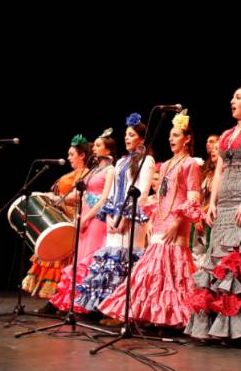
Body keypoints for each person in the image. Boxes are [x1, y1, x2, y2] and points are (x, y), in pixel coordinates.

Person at [185, 76, 241, 344]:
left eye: (238, 98)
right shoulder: (226, 135)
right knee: (218, 263)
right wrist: (212, 202)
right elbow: (219, 171)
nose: (232, 101)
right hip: (223, 204)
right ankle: (220, 328)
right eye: (233, 98)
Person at [98, 110, 200, 327]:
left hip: (176, 222)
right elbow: (160, 196)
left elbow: (193, 198)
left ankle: (173, 318)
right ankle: (152, 316)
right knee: (152, 272)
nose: (171, 139)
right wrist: (153, 218)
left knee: (173, 272)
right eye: (170, 136)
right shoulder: (167, 164)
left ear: (187, 139)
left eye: (176, 135)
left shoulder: (190, 164)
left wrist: (177, 223)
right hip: (160, 220)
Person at [74, 113, 155, 313]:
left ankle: (125, 310)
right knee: (112, 260)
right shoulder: (120, 163)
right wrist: (110, 216)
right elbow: (111, 193)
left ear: (141, 139)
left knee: (127, 261)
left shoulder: (147, 160)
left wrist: (125, 217)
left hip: (132, 218)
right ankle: (109, 307)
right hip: (115, 217)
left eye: (131, 135)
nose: (127, 138)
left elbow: (142, 193)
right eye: (126, 134)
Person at [49, 129, 116, 313]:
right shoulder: (93, 170)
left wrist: (86, 217)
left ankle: (88, 305)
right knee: (79, 256)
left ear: (107, 151)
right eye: (94, 145)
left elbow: (104, 199)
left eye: (98, 145)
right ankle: (75, 302)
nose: (94, 148)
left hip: (96, 218)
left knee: (89, 258)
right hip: (85, 213)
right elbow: (84, 193)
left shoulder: (111, 170)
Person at [24, 135, 91, 300]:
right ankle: (54, 299)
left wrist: (57, 198)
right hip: (59, 217)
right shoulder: (72, 173)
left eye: (72, 154)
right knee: (52, 255)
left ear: (82, 155)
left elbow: (78, 196)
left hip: (70, 220)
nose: (68, 158)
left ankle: (60, 298)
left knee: (63, 260)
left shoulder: (85, 173)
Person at [191, 133, 220, 268]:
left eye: (215, 145)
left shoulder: (223, 172)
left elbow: (217, 197)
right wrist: (197, 215)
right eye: (208, 142)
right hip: (202, 215)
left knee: (210, 251)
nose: (211, 147)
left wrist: (200, 213)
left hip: (213, 215)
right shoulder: (207, 171)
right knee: (198, 251)